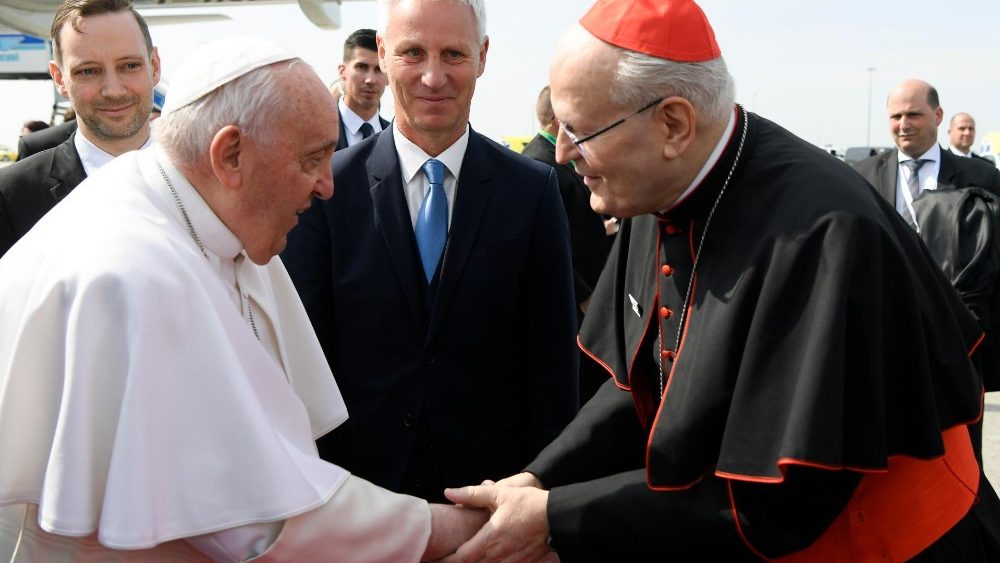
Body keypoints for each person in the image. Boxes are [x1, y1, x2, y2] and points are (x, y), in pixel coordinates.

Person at [443, 1, 1000, 560]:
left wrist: (553, 519)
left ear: (673, 124)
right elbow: (640, 385)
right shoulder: (653, 184)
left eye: (578, 130)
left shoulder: (824, 235)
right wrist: (537, 481)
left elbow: (781, 501)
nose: (563, 153)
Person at [0, 34, 486, 562]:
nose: (328, 185)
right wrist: (468, 528)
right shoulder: (136, 275)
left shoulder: (206, 215)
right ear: (230, 154)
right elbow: (255, 523)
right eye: (312, 160)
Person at [281, 0, 579, 503]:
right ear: (382, 51)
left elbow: (552, 369)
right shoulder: (327, 191)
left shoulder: (532, 192)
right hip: (356, 504)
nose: (433, 77)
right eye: (413, 52)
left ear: (483, 57)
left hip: (489, 504)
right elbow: (302, 364)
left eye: (454, 54)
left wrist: (541, 500)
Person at [0, 0, 160, 258]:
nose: (114, 90)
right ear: (59, 78)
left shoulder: (208, 180)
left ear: (154, 66)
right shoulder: (11, 197)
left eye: (129, 65)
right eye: (88, 71)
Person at [521, 84, 611, 402]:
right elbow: (544, 243)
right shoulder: (540, 164)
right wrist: (586, 297)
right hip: (573, 308)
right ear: (559, 118)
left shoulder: (549, 160)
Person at [853, 80, 1000, 231]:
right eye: (896, 117)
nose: (904, 125)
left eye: (913, 115)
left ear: (938, 115)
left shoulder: (983, 177)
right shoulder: (862, 175)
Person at [335, 28, 389, 150]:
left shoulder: (399, 139)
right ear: (342, 71)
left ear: (388, 76)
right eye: (361, 67)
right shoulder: (315, 130)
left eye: (378, 69)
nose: (370, 80)